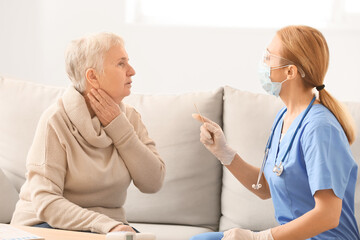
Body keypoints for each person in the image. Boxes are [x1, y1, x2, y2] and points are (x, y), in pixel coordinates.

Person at [191, 25, 359, 240]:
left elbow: (328, 216)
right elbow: (266, 188)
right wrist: (223, 153)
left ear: (290, 71)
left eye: (268, 57)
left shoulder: (320, 128)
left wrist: (258, 238)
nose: (263, 64)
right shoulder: (284, 117)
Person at [11, 32, 165, 234]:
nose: (132, 71)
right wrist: (107, 225)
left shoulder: (130, 118)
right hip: (44, 225)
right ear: (92, 76)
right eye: (121, 63)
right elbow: (46, 202)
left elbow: (153, 182)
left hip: (107, 229)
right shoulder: (55, 120)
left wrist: (120, 130)